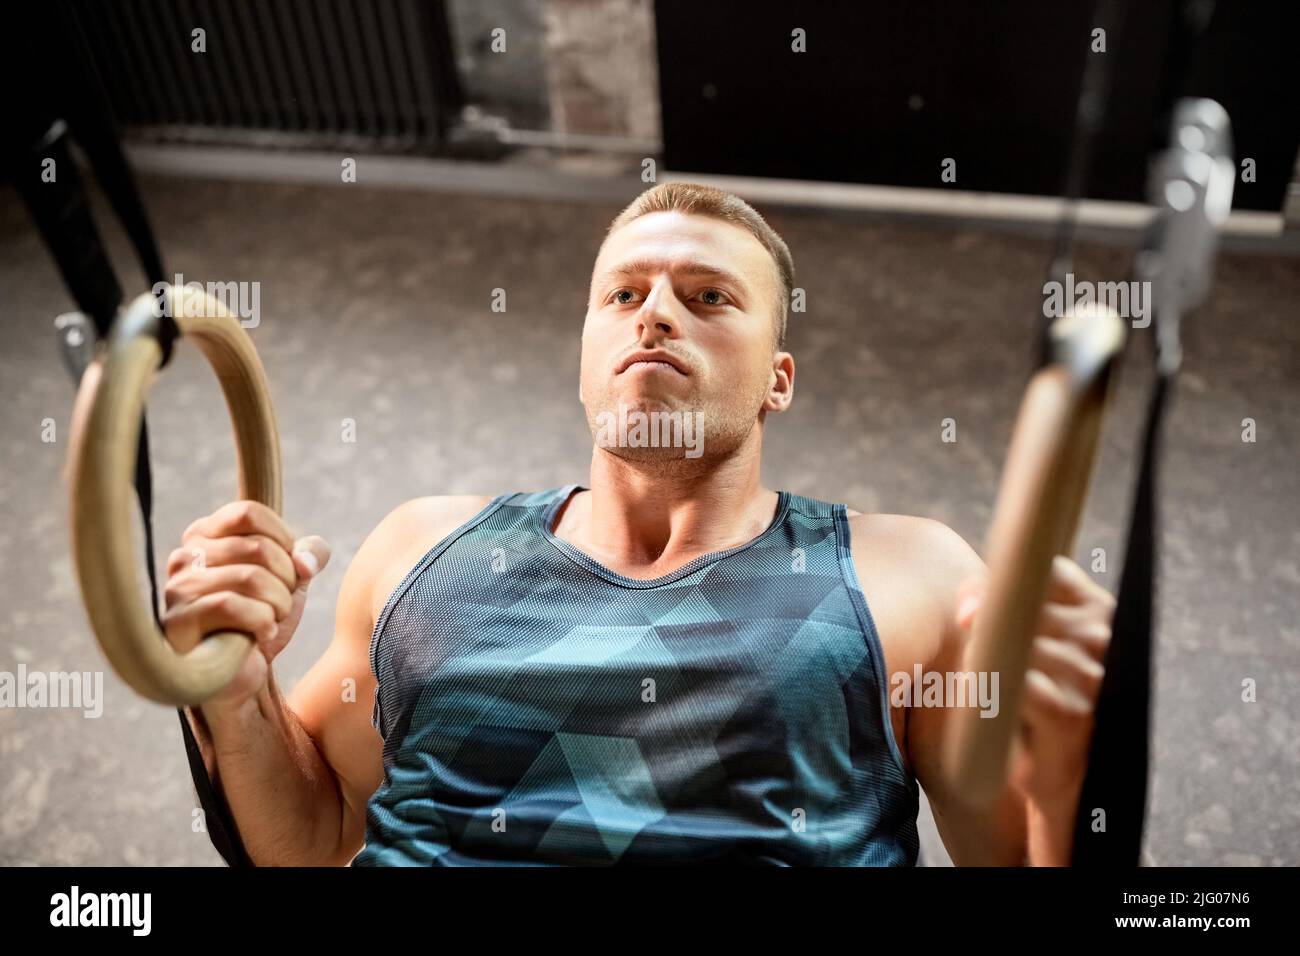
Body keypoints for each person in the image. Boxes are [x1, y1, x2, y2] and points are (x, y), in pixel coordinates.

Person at [163, 182, 1115, 866]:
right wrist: (233, 693)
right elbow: (315, 841)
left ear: (778, 379)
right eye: (622, 295)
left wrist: (1079, 759)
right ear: (587, 352)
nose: (654, 313)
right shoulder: (424, 550)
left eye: (708, 297)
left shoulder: (906, 573)